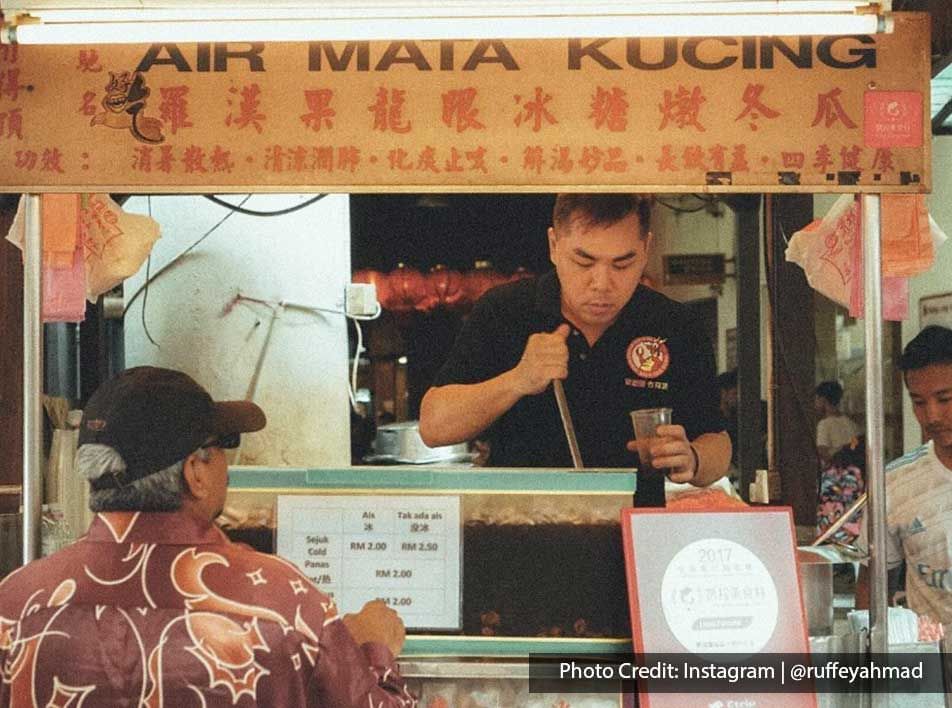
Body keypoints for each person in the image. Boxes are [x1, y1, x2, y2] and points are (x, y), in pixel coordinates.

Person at [0, 366, 416, 708]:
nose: (227, 465)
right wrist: (375, 652)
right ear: (195, 472)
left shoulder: (16, 605)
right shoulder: (285, 605)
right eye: (223, 445)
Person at [419, 193, 730, 505]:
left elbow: (718, 442)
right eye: (584, 262)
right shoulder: (505, 311)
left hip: (633, 533)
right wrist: (518, 380)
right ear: (554, 246)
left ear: (646, 249)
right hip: (518, 527)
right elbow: (434, 427)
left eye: (623, 263)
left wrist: (693, 457)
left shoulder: (674, 324)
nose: (602, 283)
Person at [855, 326, 952, 624]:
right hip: (931, 667)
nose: (932, 416)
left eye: (945, 399)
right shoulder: (894, 483)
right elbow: (872, 586)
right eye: (918, 402)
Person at [815, 379, 860, 469]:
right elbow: (854, 445)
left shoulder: (824, 425)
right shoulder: (851, 424)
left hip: (835, 475)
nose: (815, 404)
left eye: (816, 399)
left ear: (823, 400)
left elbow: (823, 453)